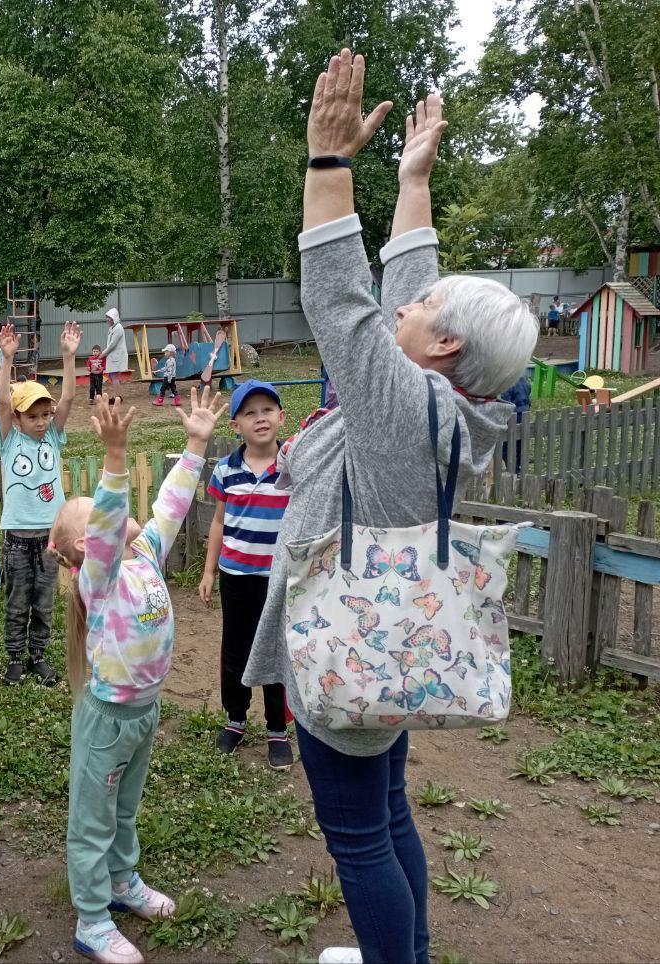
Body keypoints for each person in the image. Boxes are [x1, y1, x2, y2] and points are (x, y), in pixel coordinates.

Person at [240, 55, 537, 964]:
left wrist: (327, 164)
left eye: (424, 306)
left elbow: (340, 302)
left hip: (348, 650)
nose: (407, 301)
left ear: (443, 343)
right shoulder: (449, 406)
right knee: (388, 810)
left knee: (359, 838)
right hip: (391, 639)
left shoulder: (403, 406)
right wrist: (412, 185)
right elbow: (412, 286)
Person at [49, 388, 221, 964]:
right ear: (83, 545)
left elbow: (171, 503)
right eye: (100, 520)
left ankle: (122, 883)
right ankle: (92, 918)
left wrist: (196, 442)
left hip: (144, 711)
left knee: (123, 809)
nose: (123, 522)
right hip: (108, 718)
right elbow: (105, 524)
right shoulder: (97, 577)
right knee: (93, 820)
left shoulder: (144, 554)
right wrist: (115, 458)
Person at [197, 380, 293, 768]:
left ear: (281, 417)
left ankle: (277, 729)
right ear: (236, 424)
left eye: (267, 410)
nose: (260, 419)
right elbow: (219, 523)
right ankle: (235, 719)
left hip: (279, 579)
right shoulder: (226, 470)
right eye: (249, 413)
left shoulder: (292, 466)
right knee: (235, 648)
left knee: (276, 650)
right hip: (235, 575)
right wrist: (208, 571)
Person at [0, 320, 81, 685]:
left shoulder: (53, 438)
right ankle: (15, 658)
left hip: (50, 537)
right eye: (33, 416)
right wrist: (5, 359)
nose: (43, 422)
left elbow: (70, 399)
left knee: (44, 601)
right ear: (16, 418)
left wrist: (67, 356)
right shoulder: (9, 441)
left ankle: (38, 656)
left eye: (45, 415)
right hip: (17, 537)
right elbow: (1, 399)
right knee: (18, 601)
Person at [102, 308, 129, 386]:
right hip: (113, 356)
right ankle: (117, 395)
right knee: (112, 376)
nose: (107, 319)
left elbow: (112, 344)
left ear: (114, 318)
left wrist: (103, 354)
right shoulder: (112, 328)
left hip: (117, 357)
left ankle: (118, 396)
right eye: (106, 317)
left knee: (114, 376)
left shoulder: (118, 328)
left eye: (109, 318)